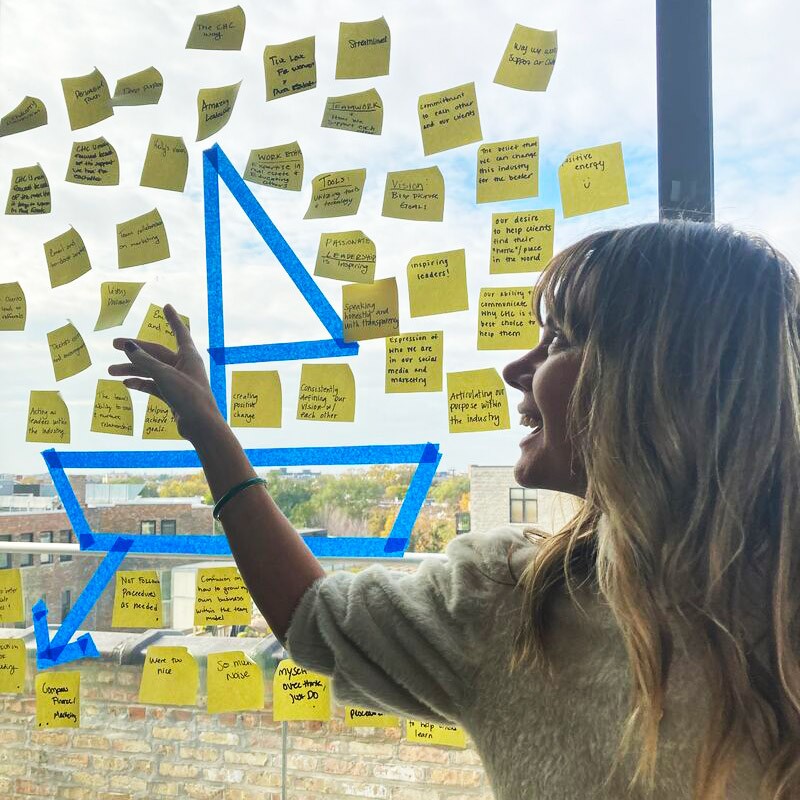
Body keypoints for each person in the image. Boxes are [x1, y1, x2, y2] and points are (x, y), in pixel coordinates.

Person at [109, 219, 800, 800]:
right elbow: (316, 619)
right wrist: (210, 432)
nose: (514, 368)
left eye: (560, 340)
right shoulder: (511, 600)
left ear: (668, 376)